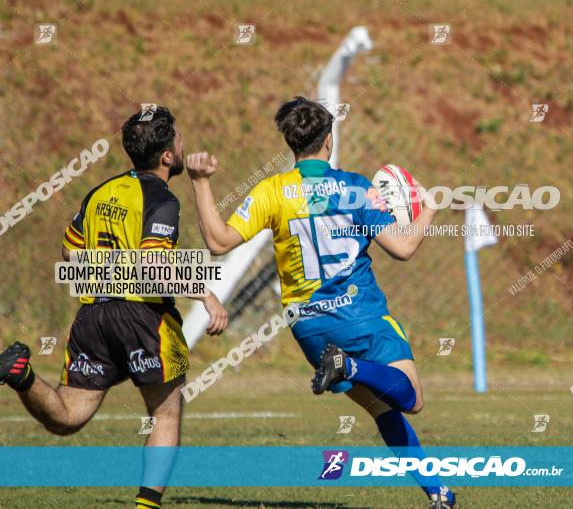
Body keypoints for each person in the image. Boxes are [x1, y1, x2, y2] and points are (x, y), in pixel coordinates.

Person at [185, 97, 458, 509]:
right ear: (328, 140)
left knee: (381, 409)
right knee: (411, 399)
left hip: (309, 328)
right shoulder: (355, 188)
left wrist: (200, 182)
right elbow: (402, 247)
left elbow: (219, 241)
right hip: (359, 314)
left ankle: (438, 492)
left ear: (291, 145)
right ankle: (351, 366)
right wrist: (429, 211)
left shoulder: (272, 191)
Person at [0, 107, 229, 509]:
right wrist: (205, 294)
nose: (182, 141)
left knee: (67, 416)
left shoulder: (100, 192)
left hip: (94, 316)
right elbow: (154, 267)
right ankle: (146, 505)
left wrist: (105, 278)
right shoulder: (162, 200)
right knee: (166, 411)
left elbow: (70, 249)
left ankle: (21, 374)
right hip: (142, 318)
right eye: (177, 137)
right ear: (168, 156)